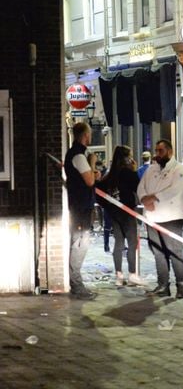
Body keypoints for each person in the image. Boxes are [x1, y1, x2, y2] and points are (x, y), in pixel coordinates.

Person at [137, 139, 183, 298]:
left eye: (160, 151)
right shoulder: (151, 169)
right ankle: (163, 285)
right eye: (156, 150)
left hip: (171, 218)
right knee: (158, 253)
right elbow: (141, 187)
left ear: (169, 151)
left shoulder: (179, 169)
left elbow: (175, 190)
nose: (157, 154)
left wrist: (154, 198)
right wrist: (144, 199)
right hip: (152, 218)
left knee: (175, 253)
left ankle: (181, 286)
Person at [95, 145, 146, 287]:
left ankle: (119, 275)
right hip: (128, 212)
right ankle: (132, 274)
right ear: (126, 158)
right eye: (129, 156)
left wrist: (109, 207)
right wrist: (134, 170)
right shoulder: (128, 173)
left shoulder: (109, 175)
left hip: (114, 214)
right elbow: (139, 188)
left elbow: (98, 192)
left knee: (118, 243)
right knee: (132, 243)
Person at [64, 122, 100, 300]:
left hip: (80, 205)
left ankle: (76, 282)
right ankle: (76, 284)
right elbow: (90, 181)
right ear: (85, 135)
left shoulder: (76, 154)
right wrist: (92, 164)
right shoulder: (79, 155)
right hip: (80, 207)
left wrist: (93, 172)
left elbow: (90, 176)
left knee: (80, 242)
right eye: (90, 134)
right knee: (80, 244)